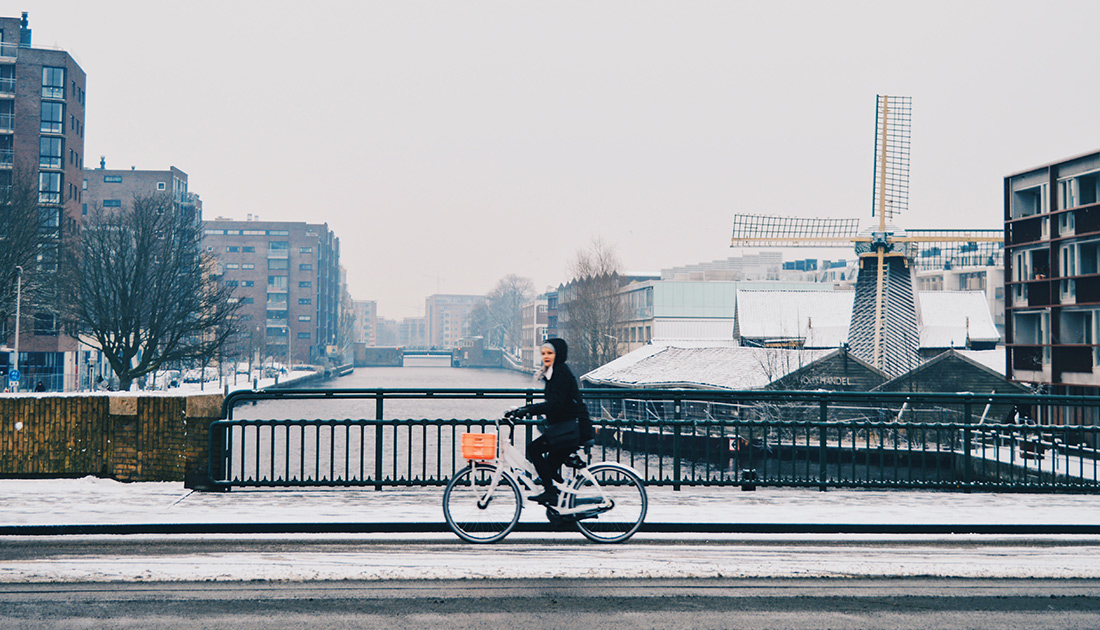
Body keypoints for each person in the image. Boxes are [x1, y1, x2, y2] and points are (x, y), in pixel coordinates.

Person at [505, 338, 593, 505]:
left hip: (571, 428)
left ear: (558, 354)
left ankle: (551, 494)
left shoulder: (560, 372)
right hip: (565, 427)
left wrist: (527, 410)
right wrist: (524, 410)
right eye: (543, 353)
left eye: (550, 353)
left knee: (534, 449)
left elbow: (555, 404)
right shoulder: (553, 372)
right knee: (549, 468)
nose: (546, 356)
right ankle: (559, 505)